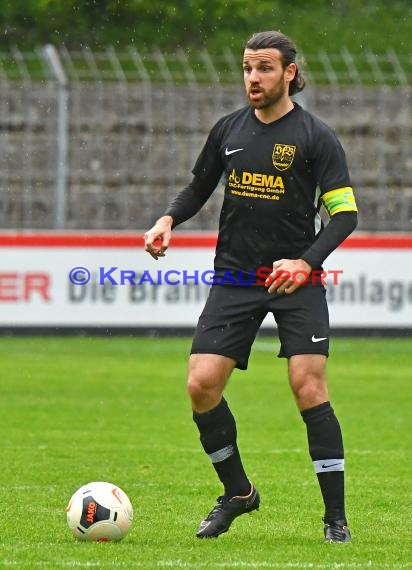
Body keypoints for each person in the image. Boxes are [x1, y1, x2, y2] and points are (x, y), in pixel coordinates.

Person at [144, 30, 358, 543]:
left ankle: (336, 521)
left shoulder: (316, 136)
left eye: (264, 68)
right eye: (246, 68)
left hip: (295, 280)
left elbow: (344, 215)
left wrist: (306, 264)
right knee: (200, 385)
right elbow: (200, 186)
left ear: (289, 72)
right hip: (235, 278)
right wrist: (169, 219)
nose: (253, 78)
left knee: (308, 387)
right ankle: (238, 492)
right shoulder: (228, 130)